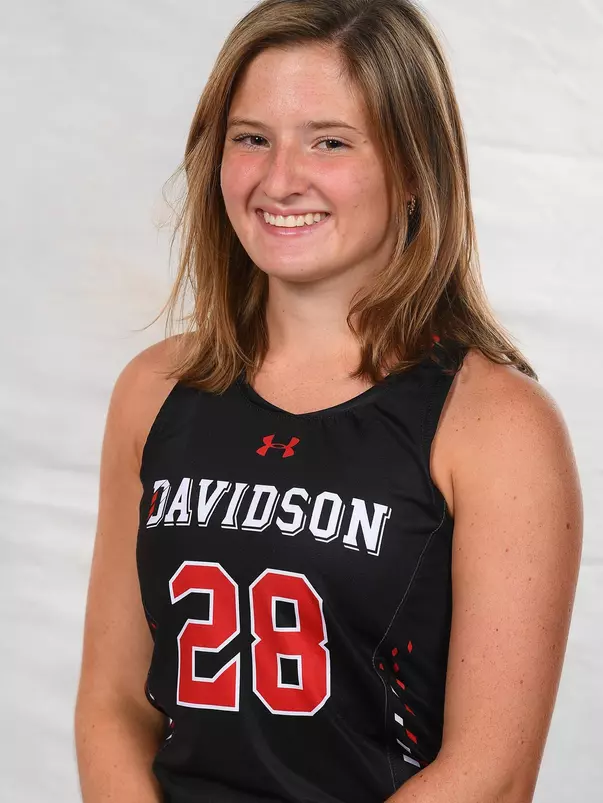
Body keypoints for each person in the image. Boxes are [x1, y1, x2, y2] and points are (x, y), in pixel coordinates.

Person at [74, 1, 583, 802]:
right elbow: (112, 703)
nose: (279, 180)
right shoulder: (155, 391)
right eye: (251, 138)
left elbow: (491, 774)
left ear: (415, 166)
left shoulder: (495, 425)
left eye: (330, 141)